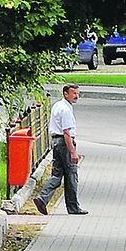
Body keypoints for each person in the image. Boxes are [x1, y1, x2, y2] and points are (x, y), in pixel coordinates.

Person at [34, 83, 87, 215]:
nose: (76, 96)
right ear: (65, 93)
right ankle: (73, 207)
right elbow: (67, 132)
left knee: (57, 174)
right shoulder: (65, 110)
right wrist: (73, 152)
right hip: (65, 143)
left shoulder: (58, 105)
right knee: (72, 175)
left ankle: (42, 198)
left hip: (57, 142)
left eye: (77, 93)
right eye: (73, 93)